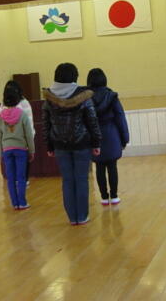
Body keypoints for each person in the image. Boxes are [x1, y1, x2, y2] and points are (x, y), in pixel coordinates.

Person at [43, 63, 102, 225]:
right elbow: (92, 121)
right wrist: (96, 143)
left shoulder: (49, 97)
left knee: (67, 180)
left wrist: (49, 146)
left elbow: (46, 124)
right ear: (74, 77)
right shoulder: (84, 95)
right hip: (82, 143)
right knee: (81, 180)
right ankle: (82, 216)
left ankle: (72, 218)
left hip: (60, 146)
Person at [86, 68, 129, 206]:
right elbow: (120, 117)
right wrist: (125, 138)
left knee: (99, 167)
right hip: (112, 135)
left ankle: (104, 197)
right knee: (112, 166)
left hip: (94, 136)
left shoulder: (86, 98)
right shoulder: (112, 96)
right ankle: (114, 196)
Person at [0, 89, 35, 210]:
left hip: (6, 150)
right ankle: (22, 202)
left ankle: (15, 203)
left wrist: (1, 153)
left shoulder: (1, 116)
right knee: (21, 177)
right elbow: (28, 134)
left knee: (11, 178)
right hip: (21, 149)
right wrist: (31, 150)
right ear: (18, 100)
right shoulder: (22, 114)